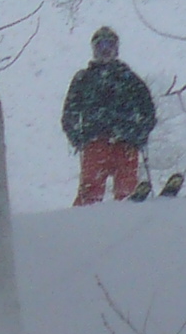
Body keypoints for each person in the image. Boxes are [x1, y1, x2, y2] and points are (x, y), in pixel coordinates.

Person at [62, 26, 157, 205]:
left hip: (126, 140)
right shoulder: (84, 79)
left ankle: (128, 211)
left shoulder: (129, 78)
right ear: (94, 49)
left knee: (127, 186)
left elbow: (147, 110)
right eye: (101, 45)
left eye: (109, 45)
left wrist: (140, 133)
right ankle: (83, 217)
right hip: (95, 141)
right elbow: (70, 112)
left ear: (116, 48)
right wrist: (78, 136)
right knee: (91, 187)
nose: (105, 49)